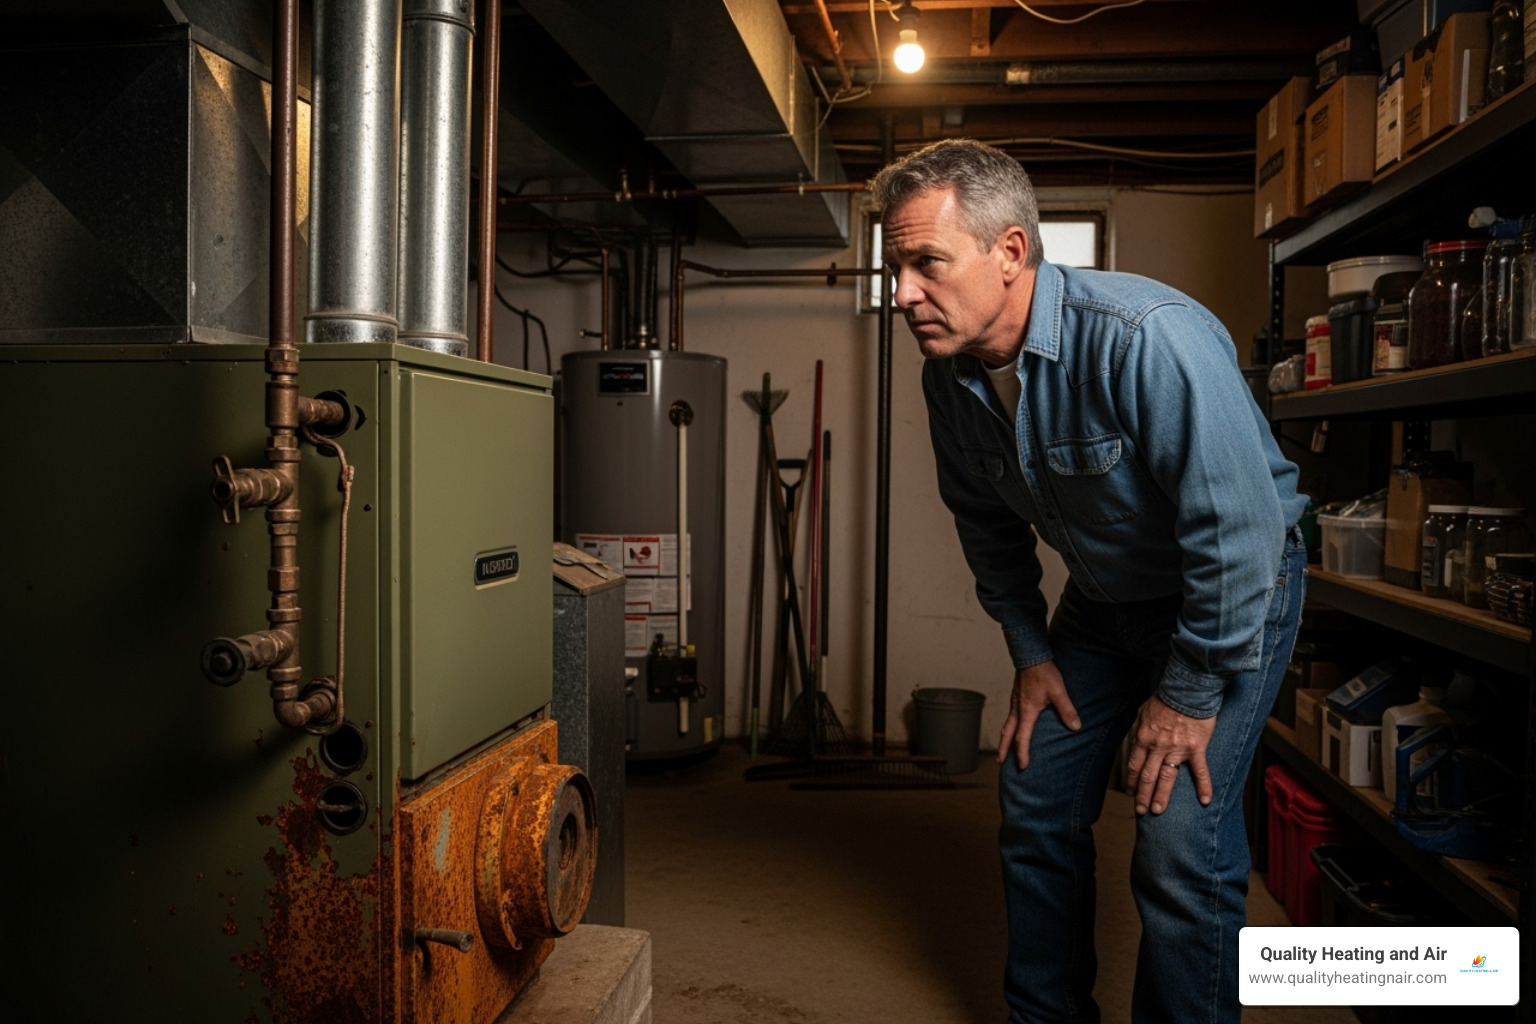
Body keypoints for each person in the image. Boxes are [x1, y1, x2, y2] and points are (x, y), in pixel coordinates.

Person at [869, 139, 1307, 1024]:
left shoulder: (1146, 339)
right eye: (894, 269)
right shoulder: (948, 380)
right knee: (1034, 793)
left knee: (1178, 836)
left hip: (1231, 597)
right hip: (1104, 602)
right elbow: (987, 529)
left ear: (1011, 253)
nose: (903, 293)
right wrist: (1031, 652)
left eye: (926, 264)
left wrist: (1185, 697)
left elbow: (1242, 537)